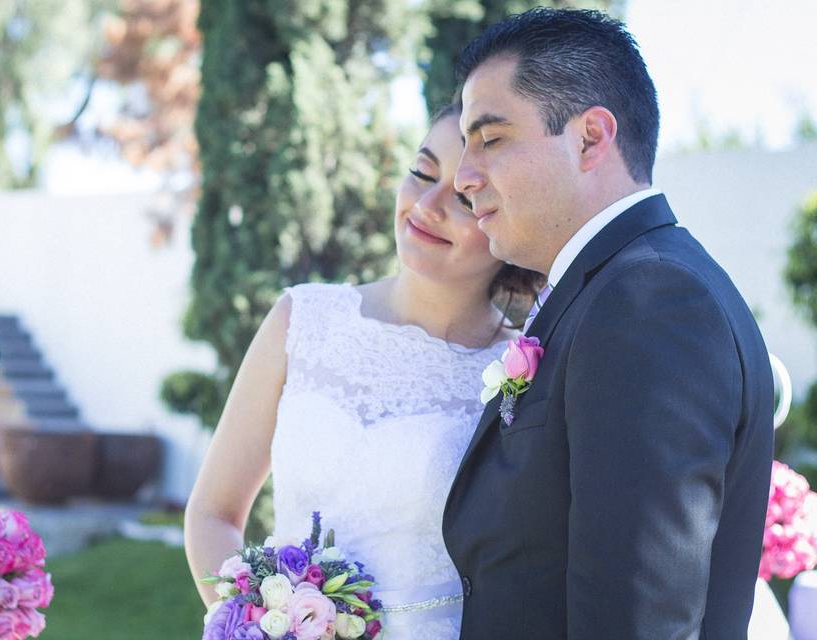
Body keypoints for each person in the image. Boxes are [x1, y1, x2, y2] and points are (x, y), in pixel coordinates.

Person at [444, 8, 774, 639]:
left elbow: (638, 621)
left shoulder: (649, 301)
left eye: (490, 138)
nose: (464, 177)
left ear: (591, 137)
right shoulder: (611, 291)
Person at [185, 105, 541, 638]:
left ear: (506, 220)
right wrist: (260, 628)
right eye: (422, 173)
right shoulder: (301, 318)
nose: (426, 205)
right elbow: (213, 514)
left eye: (464, 197)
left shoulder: (519, 374)